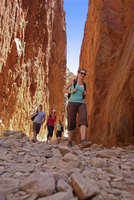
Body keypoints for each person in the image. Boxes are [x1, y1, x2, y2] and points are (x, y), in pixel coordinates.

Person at [63, 68, 89, 147]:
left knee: (83, 119)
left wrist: (84, 94)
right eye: (81, 73)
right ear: (78, 73)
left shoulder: (84, 85)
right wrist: (71, 91)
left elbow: (84, 96)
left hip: (81, 103)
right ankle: (69, 141)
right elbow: (64, 90)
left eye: (84, 74)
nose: (82, 75)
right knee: (71, 122)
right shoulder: (73, 81)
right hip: (72, 103)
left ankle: (83, 140)